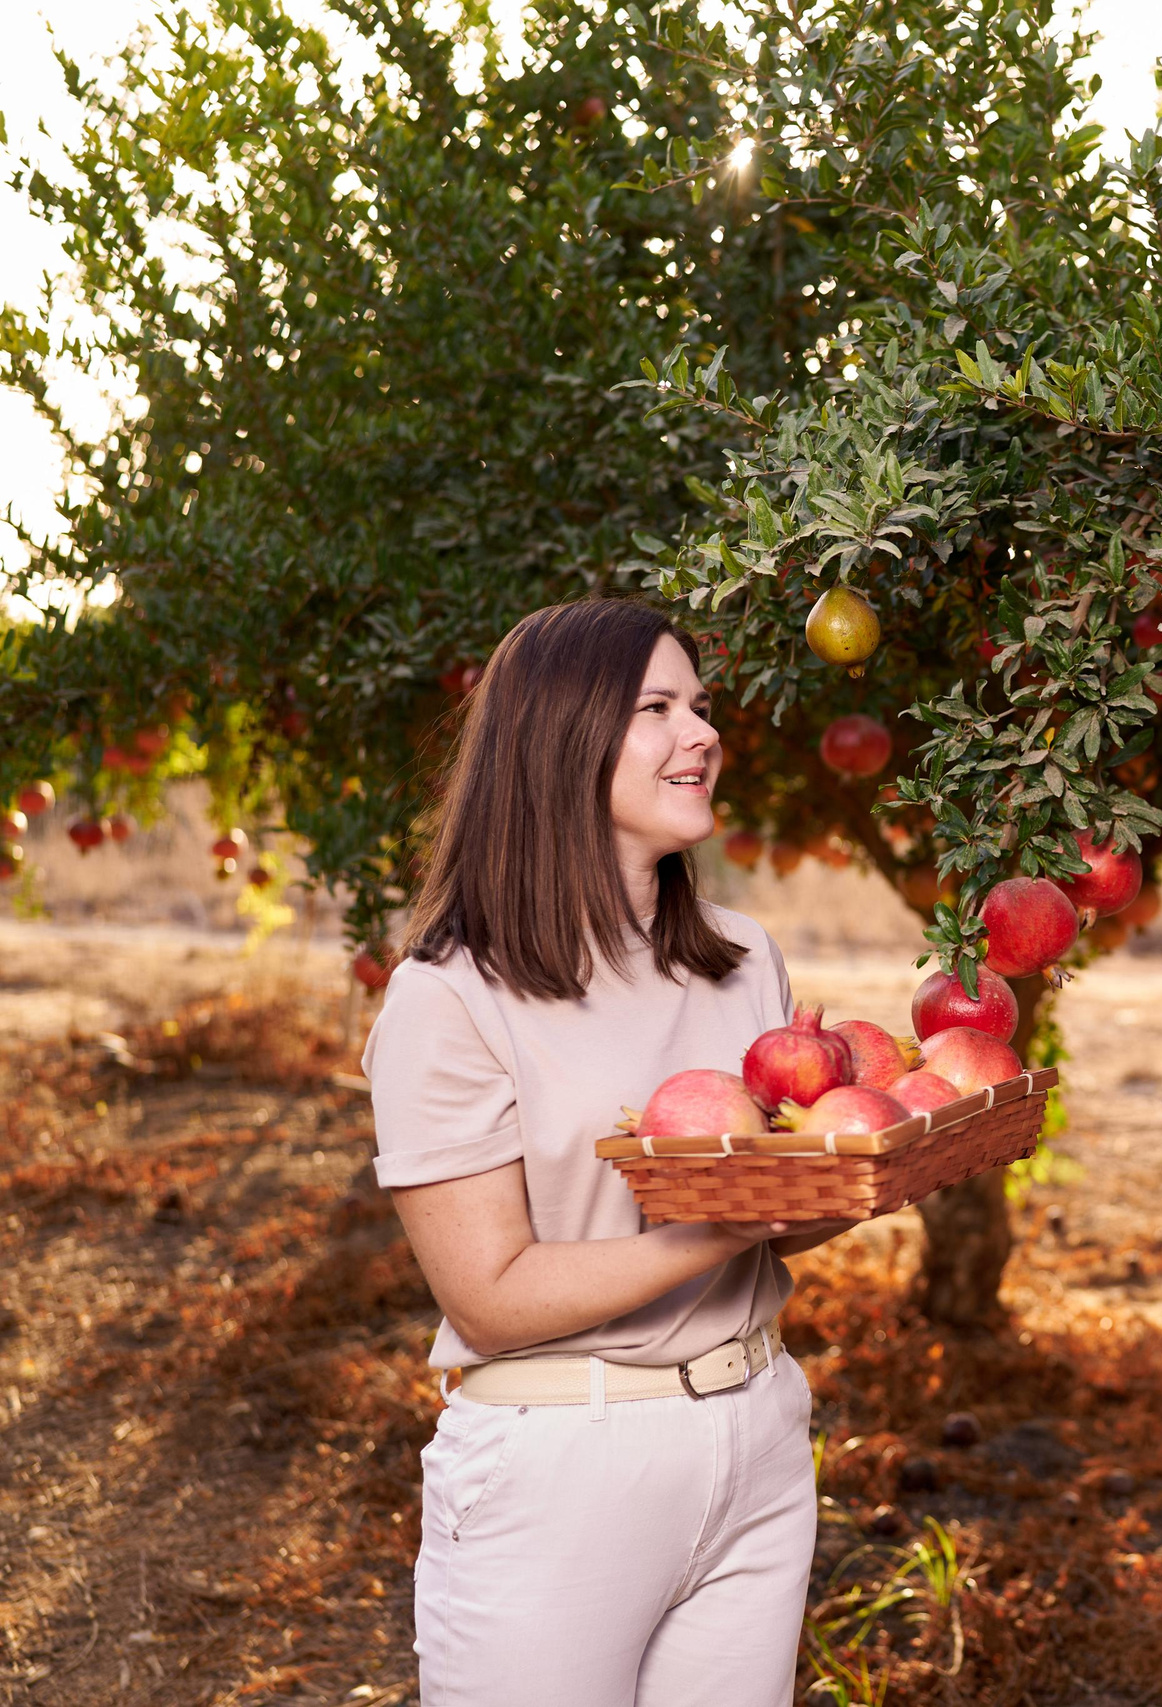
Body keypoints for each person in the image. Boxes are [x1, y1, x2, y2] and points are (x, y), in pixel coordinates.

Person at [365, 599, 846, 1706]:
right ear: (560, 739)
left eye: (702, 707)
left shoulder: (743, 959)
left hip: (756, 1424)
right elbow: (489, 1295)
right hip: (561, 1462)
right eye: (657, 708)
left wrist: (871, 1168)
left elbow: (779, 1220)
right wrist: (721, 1227)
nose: (703, 734)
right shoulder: (450, 997)